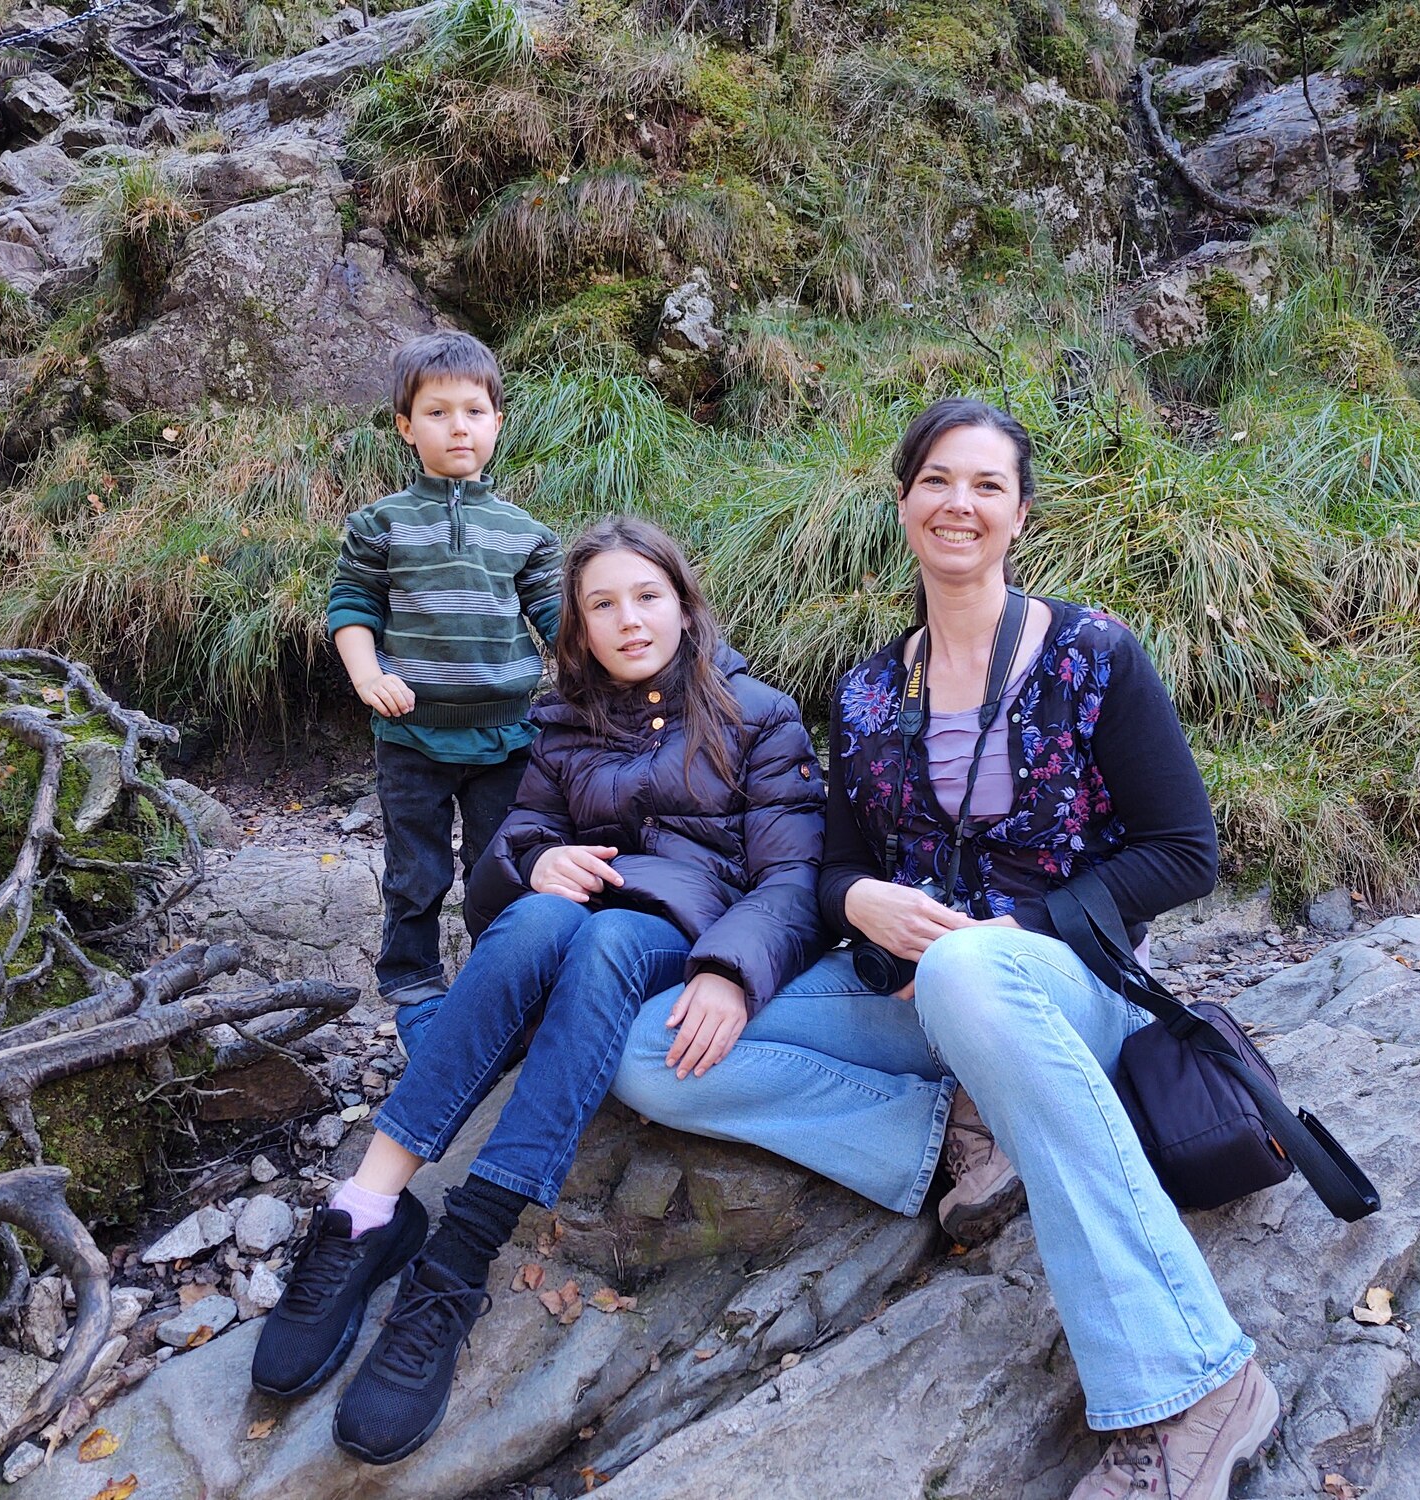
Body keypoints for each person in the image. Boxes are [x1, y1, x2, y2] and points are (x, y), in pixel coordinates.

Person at [613, 399, 1278, 1500]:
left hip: (1063, 988)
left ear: (1018, 515)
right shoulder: (868, 688)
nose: (956, 503)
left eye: (983, 485)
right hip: (907, 997)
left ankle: (1199, 1383)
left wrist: (1012, 934)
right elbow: (827, 870)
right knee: (651, 1050)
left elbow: (1183, 854)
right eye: (935, 480)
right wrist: (863, 897)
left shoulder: (1091, 654)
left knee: (971, 970)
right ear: (903, 501)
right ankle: (950, 1130)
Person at [255, 516, 827, 1468]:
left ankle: (457, 1257)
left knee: (601, 942)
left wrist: (731, 972)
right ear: (578, 626)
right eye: (602, 605)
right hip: (569, 913)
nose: (628, 621)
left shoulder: (757, 716)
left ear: (684, 606)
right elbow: (510, 846)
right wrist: (536, 855)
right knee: (532, 918)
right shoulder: (564, 718)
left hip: (678, 923)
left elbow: (791, 879)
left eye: (646, 597)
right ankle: (366, 1208)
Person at [325, 330, 563, 1026]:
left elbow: (556, 620)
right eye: (436, 412)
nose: (457, 426)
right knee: (416, 868)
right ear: (405, 426)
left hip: (507, 736)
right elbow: (352, 606)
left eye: (473, 411)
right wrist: (368, 675)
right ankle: (411, 979)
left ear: (497, 421)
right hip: (411, 736)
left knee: (499, 867)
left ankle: (499, 980)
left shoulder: (525, 531)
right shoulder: (380, 525)